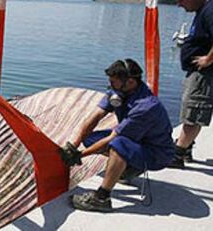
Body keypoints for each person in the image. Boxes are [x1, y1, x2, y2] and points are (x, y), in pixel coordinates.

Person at [59, 59, 174, 212]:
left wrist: (79, 156)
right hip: (138, 141)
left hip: (157, 153)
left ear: (131, 82)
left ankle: (101, 198)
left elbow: (113, 138)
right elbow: (95, 116)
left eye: (114, 82)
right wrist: (74, 145)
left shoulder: (146, 106)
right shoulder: (119, 92)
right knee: (90, 138)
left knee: (118, 144)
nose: (111, 86)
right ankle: (127, 169)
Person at [169, 0, 213, 168]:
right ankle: (185, 148)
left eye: (181, 0)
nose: (179, 6)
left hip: (203, 74)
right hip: (197, 73)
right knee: (191, 111)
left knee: (193, 113)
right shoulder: (204, 9)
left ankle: (177, 155)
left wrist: (208, 59)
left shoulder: (210, 10)